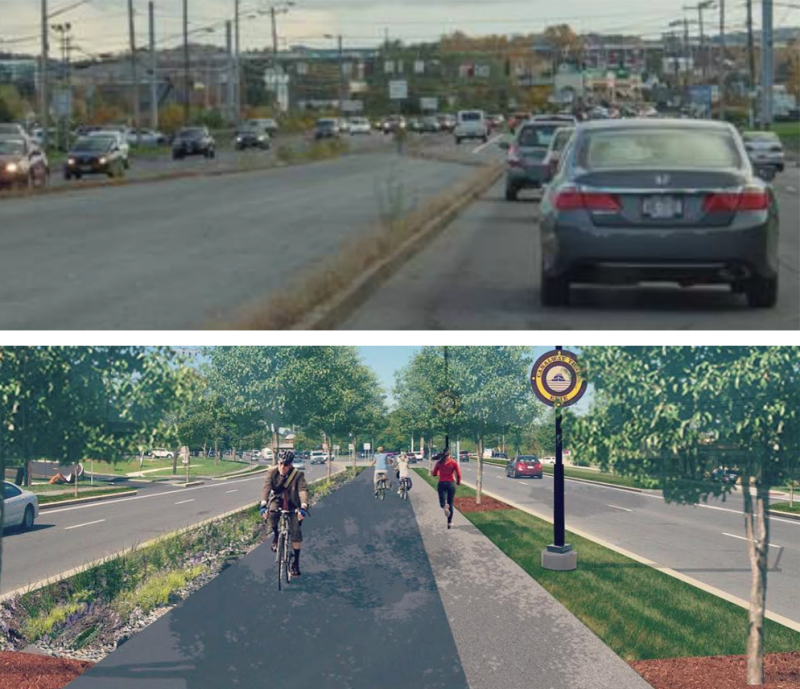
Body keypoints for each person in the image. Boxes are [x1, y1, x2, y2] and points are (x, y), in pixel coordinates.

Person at [260, 450, 309, 577]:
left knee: (296, 531)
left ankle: (296, 563)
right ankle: (276, 536)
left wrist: (303, 506)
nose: (283, 467)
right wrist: (263, 504)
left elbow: (302, 490)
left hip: (293, 503)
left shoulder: (298, 474)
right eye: (281, 463)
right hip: (277, 500)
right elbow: (266, 488)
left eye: (286, 465)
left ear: (291, 464)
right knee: (272, 513)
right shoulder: (272, 472)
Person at [431, 448, 461, 529]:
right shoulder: (454, 463)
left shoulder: (439, 463)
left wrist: (432, 472)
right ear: (450, 454)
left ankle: (444, 507)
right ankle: (449, 522)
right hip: (451, 484)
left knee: (442, 502)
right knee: (450, 503)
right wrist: (458, 482)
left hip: (442, 483)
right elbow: (458, 474)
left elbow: (434, 474)